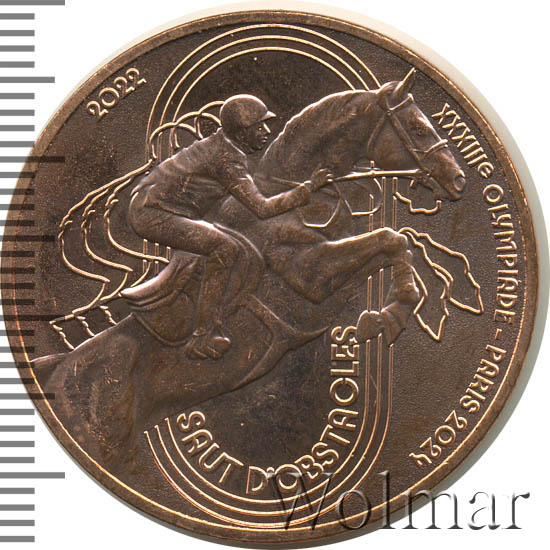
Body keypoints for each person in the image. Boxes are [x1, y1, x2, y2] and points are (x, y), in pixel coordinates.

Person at [128, 94, 332, 360]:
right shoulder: (226, 157)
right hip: (152, 213)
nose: (267, 132)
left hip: (163, 208)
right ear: (242, 131)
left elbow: (246, 194)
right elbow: (262, 208)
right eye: (259, 126)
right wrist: (307, 190)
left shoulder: (223, 146)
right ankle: (203, 336)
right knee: (225, 248)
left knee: (228, 240)